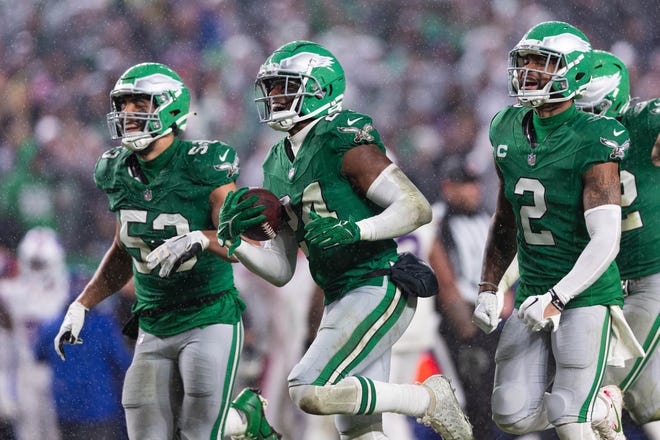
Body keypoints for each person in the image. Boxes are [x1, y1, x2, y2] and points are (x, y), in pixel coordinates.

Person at [216, 41, 473, 439]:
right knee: (359, 431)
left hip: (377, 280)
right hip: (340, 292)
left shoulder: (342, 138)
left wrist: (356, 230)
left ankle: (426, 400)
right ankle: (420, 402)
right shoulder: (276, 162)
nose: (273, 97)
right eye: (270, 88)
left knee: (308, 389)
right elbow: (283, 269)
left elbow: (416, 207)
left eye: (285, 87)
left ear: (320, 88)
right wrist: (236, 247)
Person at [53, 62, 280, 439]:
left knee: (199, 431)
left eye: (139, 106)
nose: (127, 115)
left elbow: (246, 243)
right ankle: (241, 422)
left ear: (170, 110)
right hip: (153, 322)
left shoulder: (202, 164)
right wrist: (82, 304)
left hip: (208, 315)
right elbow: (124, 249)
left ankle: (245, 418)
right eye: (123, 106)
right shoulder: (116, 170)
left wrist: (202, 238)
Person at [472, 21, 638, 439]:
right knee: (511, 412)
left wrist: (559, 297)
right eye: (525, 61)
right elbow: (506, 218)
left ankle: (587, 407)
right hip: (532, 290)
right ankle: (596, 408)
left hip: (584, 294)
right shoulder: (505, 127)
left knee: (568, 415)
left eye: (542, 63)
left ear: (575, 71)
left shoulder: (594, 136)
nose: (529, 71)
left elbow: (606, 237)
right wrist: (489, 287)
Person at [576, 49, 660, 440]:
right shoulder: (574, 142)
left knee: (596, 391)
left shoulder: (643, 122)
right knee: (646, 401)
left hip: (653, 273)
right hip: (615, 282)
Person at [429, 154, 514, 440]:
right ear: (448, 187)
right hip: (463, 323)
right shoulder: (438, 221)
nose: (472, 191)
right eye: (464, 185)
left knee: (505, 395)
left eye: (474, 184)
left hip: (496, 316)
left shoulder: (485, 215)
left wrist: (506, 303)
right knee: (473, 401)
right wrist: (466, 331)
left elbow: (506, 261)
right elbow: (445, 279)